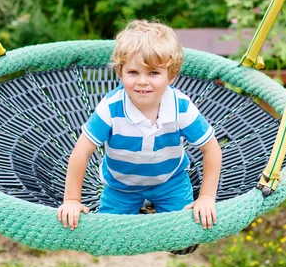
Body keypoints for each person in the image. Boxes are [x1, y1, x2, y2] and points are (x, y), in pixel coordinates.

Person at [57, 20, 222, 231]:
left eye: (153, 73)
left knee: (186, 233)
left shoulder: (181, 107)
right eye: (133, 72)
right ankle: (138, 209)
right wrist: (71, 200)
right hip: (121, 186)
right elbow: (81, 152)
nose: (142, 81)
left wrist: (207, 197)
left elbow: (211, 149)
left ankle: (155, 210)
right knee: (109, 235)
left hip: (170, 182)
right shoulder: (111, 108)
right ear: (120, 73)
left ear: (171, 76)